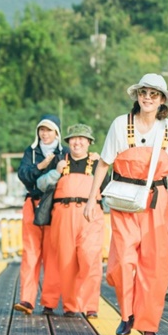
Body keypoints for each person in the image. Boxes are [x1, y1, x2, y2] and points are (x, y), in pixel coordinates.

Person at [83, 73, 168, 335]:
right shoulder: (121, 125)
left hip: (157, 201)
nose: (148, 98)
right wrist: (91, 198)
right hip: (124, 201)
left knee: (155, 264)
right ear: (137, 96)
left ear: (162, 100)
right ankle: (127, 314)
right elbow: (104, 163)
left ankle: (149, 322)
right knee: (122, 262)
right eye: (144, 93)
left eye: (154, 94)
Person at [36, 124, 109, 318]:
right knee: (65, 261)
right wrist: (55, 172)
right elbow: (40, 184)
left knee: (90, 258)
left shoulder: (98, 164)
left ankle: (90, 305)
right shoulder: (59, 161)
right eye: (74, 139)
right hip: (63, 214)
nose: (77, 142)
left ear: (89, 143)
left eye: (82, 139)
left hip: (90, 215)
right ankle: (70, 306)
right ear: (68, 142)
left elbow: (109, 190)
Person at [14, 114, 69, 315]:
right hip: (33, 203)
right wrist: (41, 166)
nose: (45, 134)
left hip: (56, 205)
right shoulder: (32, 152)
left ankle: (50, 301)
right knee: (30, 252)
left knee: (52, 254)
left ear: (57, 132)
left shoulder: (66, 152)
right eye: (42, 130)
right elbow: (23, 175)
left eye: (49, 130)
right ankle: (27, 300)